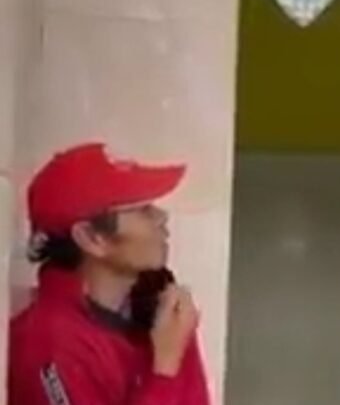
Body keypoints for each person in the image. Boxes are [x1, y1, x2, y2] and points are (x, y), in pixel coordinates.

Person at [8, 143, 210, 405]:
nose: (162, 217)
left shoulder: (160, 312)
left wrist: (176, 352)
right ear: (92, 238)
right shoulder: (48, 344)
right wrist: (165, 370)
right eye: (142, 210)